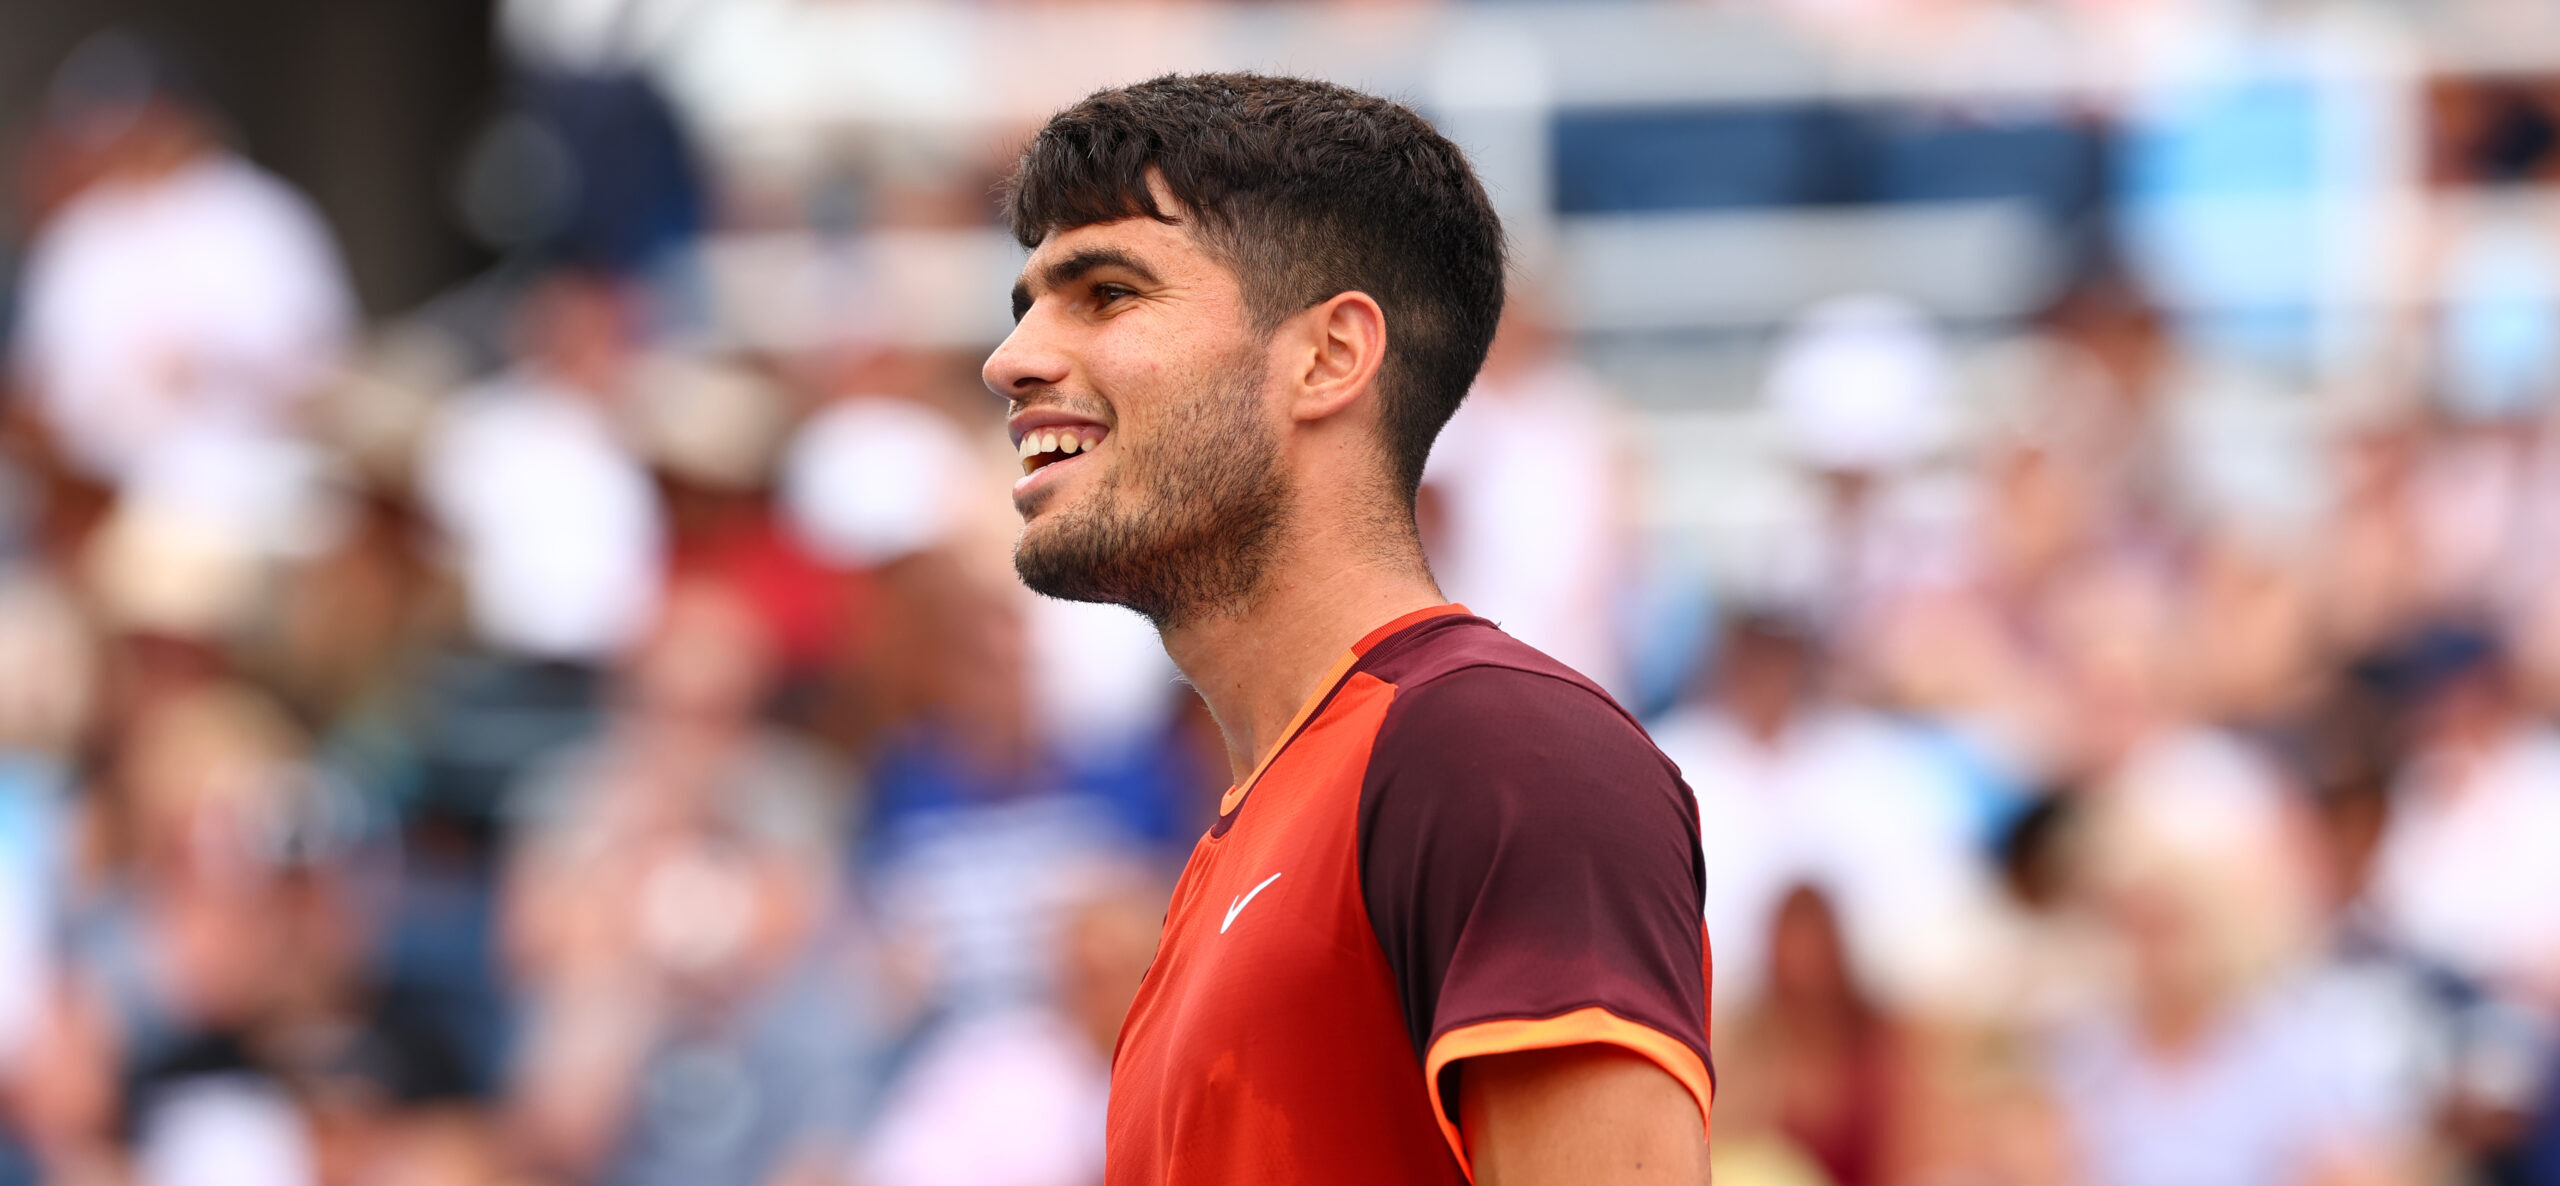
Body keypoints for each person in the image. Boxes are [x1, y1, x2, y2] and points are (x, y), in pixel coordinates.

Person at [982, 74, 1713, 1184]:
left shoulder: (1500, 753)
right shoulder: (1244, 838)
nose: (1013, 358)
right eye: (1026, 303)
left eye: (1108, 292)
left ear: (1328, 357)